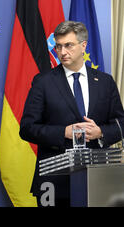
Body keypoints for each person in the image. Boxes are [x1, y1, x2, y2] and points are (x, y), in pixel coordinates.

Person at [20, 21, 124, 207]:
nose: (62, 52)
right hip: (54, 181)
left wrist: (101, 132)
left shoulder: (105, 82)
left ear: (83, 45)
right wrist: (64, 132)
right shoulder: (43, 82)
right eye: (58, 46)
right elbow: (27, 129)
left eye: (68, 45)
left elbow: (121, 124)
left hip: (98, 178)